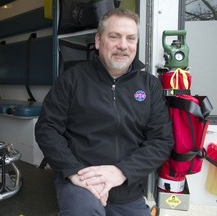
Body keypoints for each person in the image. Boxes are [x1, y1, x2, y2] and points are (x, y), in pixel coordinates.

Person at [35, 8, 173, 216]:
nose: (123, 46)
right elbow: (47, 129)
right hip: (81, 182)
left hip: (127, 185)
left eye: (130, 38)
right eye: (114, 37)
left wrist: (121, 172)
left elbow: (161, 141)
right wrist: (73, 173)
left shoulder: (149, 86)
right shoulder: (72, 79)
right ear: (98, 41)